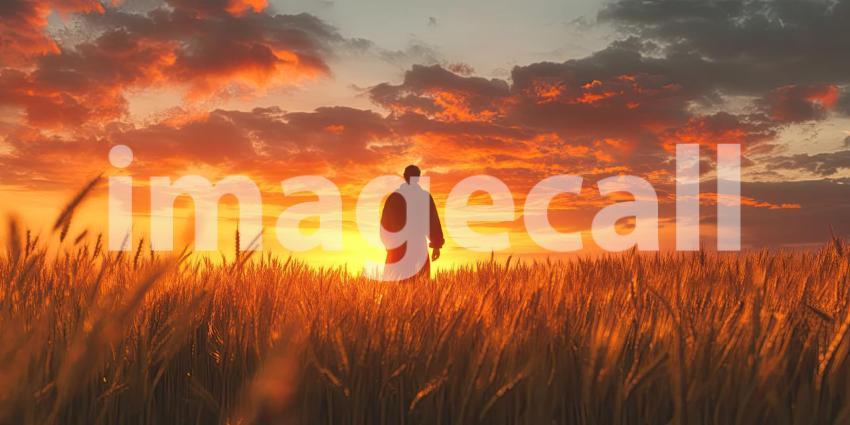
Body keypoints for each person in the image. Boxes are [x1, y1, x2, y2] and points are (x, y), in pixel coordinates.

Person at [380, 165, 444, 280]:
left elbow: (385, 224)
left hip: (397, 247)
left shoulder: (394, 197)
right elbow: (433, 222)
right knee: (419, 283)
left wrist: (388, 243)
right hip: (417, 247)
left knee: (396, 283)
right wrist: (436, 246)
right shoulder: (424, 197)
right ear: (418, 178)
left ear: (404, 177)